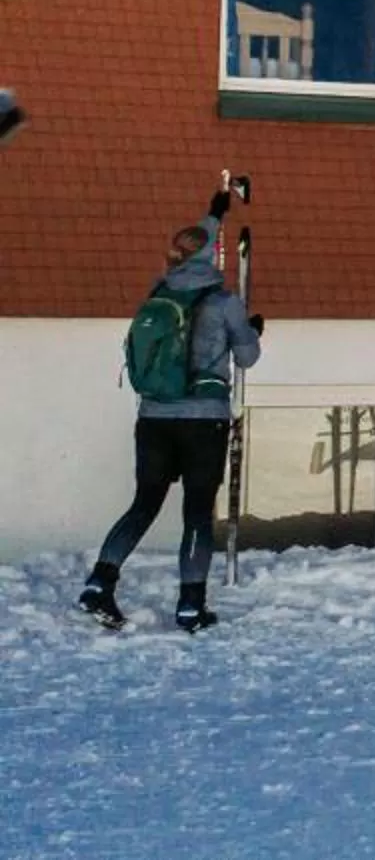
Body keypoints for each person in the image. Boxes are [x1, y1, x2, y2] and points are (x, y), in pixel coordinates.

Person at [78, 188, 263, 632]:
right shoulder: (223, 302)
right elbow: (248, 358)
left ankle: (100, 582)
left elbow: (200, 237)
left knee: (144, 502)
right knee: (197, 509)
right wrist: (252, 329)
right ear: (212, 259)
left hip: (154, 417)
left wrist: (215, 212)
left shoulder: (159, 291)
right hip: (203, 419)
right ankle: (190, 605)